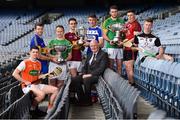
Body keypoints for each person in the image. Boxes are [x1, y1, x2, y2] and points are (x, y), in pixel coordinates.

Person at [12, 46, 58, 115]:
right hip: (27, 86)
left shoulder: (39, 63)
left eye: (36, 52)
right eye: (33, 52)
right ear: (30, 52)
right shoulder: (24, 62)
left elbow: (38, 76)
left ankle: (50, 106)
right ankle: (32, 109)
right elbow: (14, 74)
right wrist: (24, 81)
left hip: (36, 84)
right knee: (42, 94)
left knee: (56, 90)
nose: (35, 53)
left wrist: (48, 74)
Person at [71, 40, 108, 106]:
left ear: (98, 46)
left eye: (95, 46)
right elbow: (85, 66)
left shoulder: (103, 54)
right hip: (87, 75)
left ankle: (88, 101)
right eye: (91, 46)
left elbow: (101, 68)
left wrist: (89, 75)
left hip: (97, 76)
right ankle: (81, 100)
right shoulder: (89, 54)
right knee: (75, 79)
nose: (93, 47)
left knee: (86, 80)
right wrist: (84, 74)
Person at [102, 5, 125, 75]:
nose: (114, 13)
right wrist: (109, 41)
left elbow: (123, 33)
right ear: (110, 12)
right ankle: (112, 81)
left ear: (117, 12)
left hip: (119, 46)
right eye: (112, 12)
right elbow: (104, 35)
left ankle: (119, 81)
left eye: (115, 12)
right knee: (111, 66)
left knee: (120, 66)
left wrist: (122, 41)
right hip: (111, 46)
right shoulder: (107, 21)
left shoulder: (121, 20)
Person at [48, 25, 72, 89]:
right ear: (55, 32)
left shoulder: (68, 43)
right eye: (58, 31)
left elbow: (70, 56)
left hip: (63, 65)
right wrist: (54, 57)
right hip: (53, 64)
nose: (59, 33)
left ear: (63, 32)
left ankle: (59, 98)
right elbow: (47, 54)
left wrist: (64, 60)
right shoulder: (52, 42)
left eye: (61, 31)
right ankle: (51, 99)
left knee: (60, 84)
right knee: (52, 83)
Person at [123, 9, 142, 85]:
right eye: (128, 15)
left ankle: (132, 83)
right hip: (126, 47)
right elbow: (124, 35)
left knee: (130, 66)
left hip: (132, 47)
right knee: (127, 66)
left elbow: (136, 37)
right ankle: (129, 82)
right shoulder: (126, 24)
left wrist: (127, 42)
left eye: (131, 15)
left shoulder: (136, 24)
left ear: (134, 15)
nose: (129, 17)